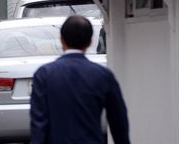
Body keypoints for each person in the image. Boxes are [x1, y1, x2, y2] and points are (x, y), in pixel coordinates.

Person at [30, 15, 130, 144]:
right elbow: (118, 120)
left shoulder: (44, 74)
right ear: (89, 42)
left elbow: (39, 122)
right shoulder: (103, 75)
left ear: (61, 40)